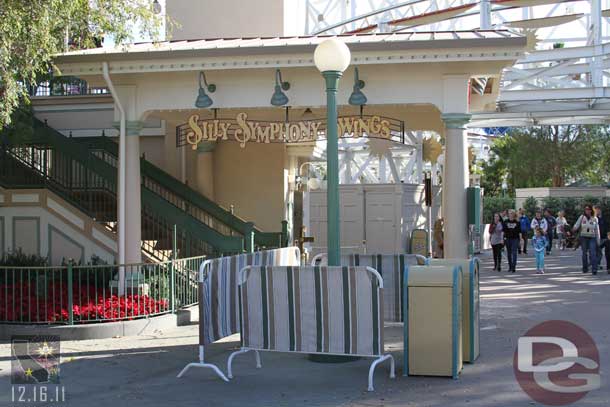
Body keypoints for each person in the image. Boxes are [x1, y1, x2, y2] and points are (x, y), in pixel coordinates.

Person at [572, 204, 600, 275]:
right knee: (584, 253)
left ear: (591, 210)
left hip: (592, 237)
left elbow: (597, 230)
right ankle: (585, 268)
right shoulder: (582, 217)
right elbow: (576, 225)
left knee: (593, 253)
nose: (587, 210)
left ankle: (594, 269)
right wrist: (572, 229)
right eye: (586, 209)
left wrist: (598, 240)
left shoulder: (595, 218)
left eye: (588, 209)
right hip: (583, 237)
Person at [594, 205, 609, 272]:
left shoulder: (604, 218)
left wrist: (608, 236)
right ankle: (596, 264)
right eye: (596, 210)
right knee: (598, 252)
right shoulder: (594, 218)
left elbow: (607, 227)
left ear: (600, 210)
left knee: (604, 251)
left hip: (604, 238)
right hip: (596, 237)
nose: (597, 211)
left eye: (598, 210)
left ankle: (597, 264)